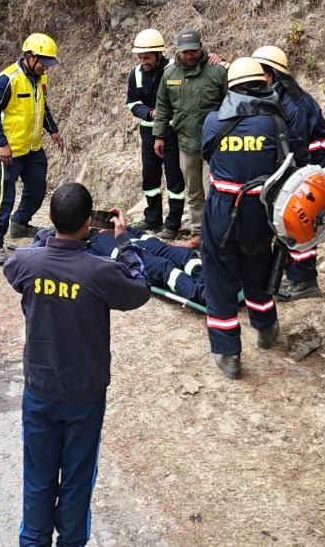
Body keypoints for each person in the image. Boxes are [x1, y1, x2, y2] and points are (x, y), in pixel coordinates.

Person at [4, 183, 150, 547]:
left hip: (39, 391)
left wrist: (49, 235)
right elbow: (139, 287)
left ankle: (33, 540)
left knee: (37, 478)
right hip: (85, 394)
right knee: (77, 480)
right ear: (89, 223)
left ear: (50, 218)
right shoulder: (99, 271)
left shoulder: (27, 262)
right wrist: (124, 241)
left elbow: (18, 262)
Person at [200, 56, 289, 379]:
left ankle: (228, 353)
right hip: (259, 208)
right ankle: (265, 326)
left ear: (231, 88)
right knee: (258, 266)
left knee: (219, 275)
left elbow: (206, 154)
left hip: (222, 206)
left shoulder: (213, 121)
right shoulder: (276, 122)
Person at [252, 45, 325, 301]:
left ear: (272, 74)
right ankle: (293, 270)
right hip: (305, 164)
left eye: (259, 74)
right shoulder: (276, 97)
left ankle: (304, 280)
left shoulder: (293, 105)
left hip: (317, 164)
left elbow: (297, 150)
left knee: (300, 218)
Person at [0, 33, 66, 265]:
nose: (46, 67)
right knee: (5, 196)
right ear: (30, 56)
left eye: (49, 63)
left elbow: (42, 107)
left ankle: (19, 223)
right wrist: (2, 144)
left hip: (32, 147)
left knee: (37, 188)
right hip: (8, 150)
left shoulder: (40, 78)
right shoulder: (8, 79)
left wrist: (53, 130)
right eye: (43, 62)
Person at [152, 28, 226, 237]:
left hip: (214, 145)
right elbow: (163, 106)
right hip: (185, 144)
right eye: (185, 52)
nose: (190, 56)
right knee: (193, 193)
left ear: (201, 47)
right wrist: (159, 135)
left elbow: (231, 104)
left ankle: (216, 235)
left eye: (193, 51)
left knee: (214, 192)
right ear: (178, 51)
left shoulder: (217, 71)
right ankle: (198, 233)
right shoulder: (170, 73)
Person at [124, 29, 185, 237]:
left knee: (175, 177)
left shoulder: (175, 69)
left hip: (172, 131)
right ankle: (153, 219)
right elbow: (132, 103)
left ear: (159, 54)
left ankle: (173, 224)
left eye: (147, 57)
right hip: (148, 132)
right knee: (150, 177)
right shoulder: (136, 74)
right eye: (140, 57)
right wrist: (149, 113)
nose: (143, 62)